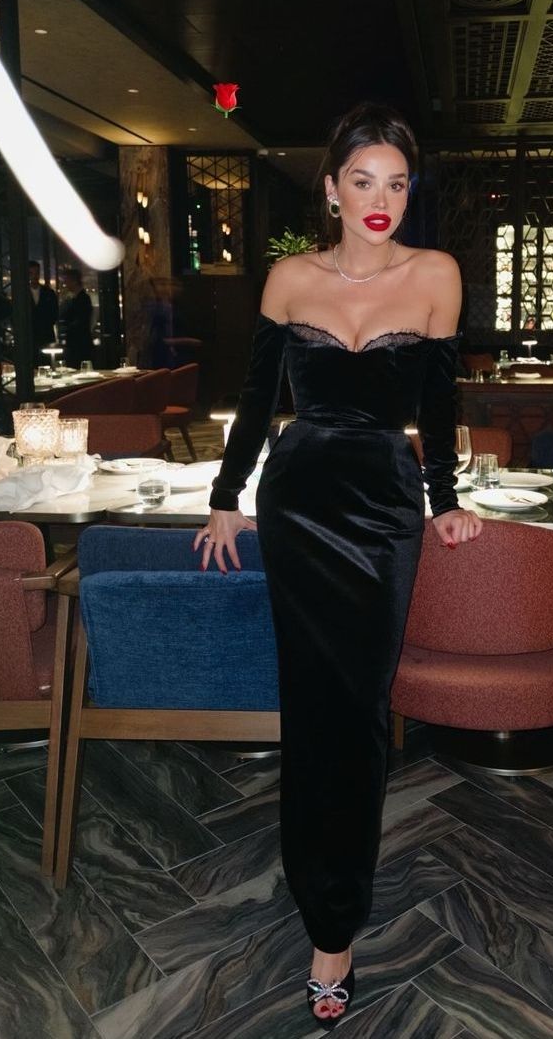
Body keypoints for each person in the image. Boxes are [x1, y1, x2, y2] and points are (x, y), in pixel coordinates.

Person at [194, 103, 482, 1029]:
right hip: (300, 502)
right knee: (309, 705)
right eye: (363, 179)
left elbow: (439, 406)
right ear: (331, 188)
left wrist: (444, 499)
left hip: (385, 508)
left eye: (396, 181)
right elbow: (254, 400)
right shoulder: (290, 277)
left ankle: (336, 924)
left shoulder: (435, 275)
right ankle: (312, 887)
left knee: (359, 712)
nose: (380, 197)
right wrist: (227, 495)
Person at [59, 267, 94, 369]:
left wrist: (67, 327)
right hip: (78, 341)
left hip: (79, 342)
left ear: (74, 281)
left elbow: (80, 320)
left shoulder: (82, 299)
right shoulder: (77, 298)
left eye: (67, 281)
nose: (65, 284)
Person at [28, 260, 59, 364]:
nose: (34, 276)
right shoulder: (48, 293)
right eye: (31, 273)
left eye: (36, 273)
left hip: (43, 336)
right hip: (35, 337)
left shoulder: (49, 293)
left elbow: (54, 314)